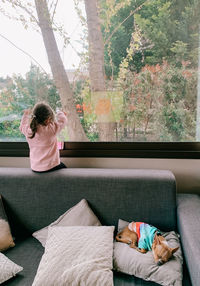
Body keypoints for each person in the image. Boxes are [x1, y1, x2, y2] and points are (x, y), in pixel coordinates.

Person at [19, 102, 67, 173]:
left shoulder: (29, 130)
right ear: (48, 119)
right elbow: (63, 121)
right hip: (51, 166)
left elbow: (22, 126)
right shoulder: (51, 129)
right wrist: (60, 112)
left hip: (35, 167)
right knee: (65, 169)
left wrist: (26, 114)